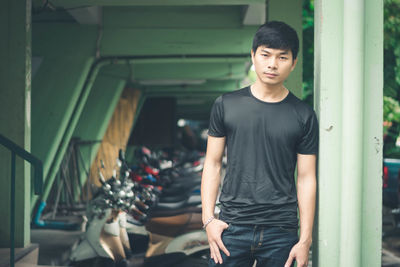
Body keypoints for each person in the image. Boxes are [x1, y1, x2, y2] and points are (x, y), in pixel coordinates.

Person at [201, 21, 318, 267]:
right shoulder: (226, 105)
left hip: (281, 231)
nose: (272, 64)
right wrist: (208, 220)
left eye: (282, 57)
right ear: (253, 56)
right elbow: (211, 164)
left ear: (294, 63)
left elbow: (306, 178)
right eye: (265, 55)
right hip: (231, 227)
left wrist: (305, 240)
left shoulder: (303, 115)